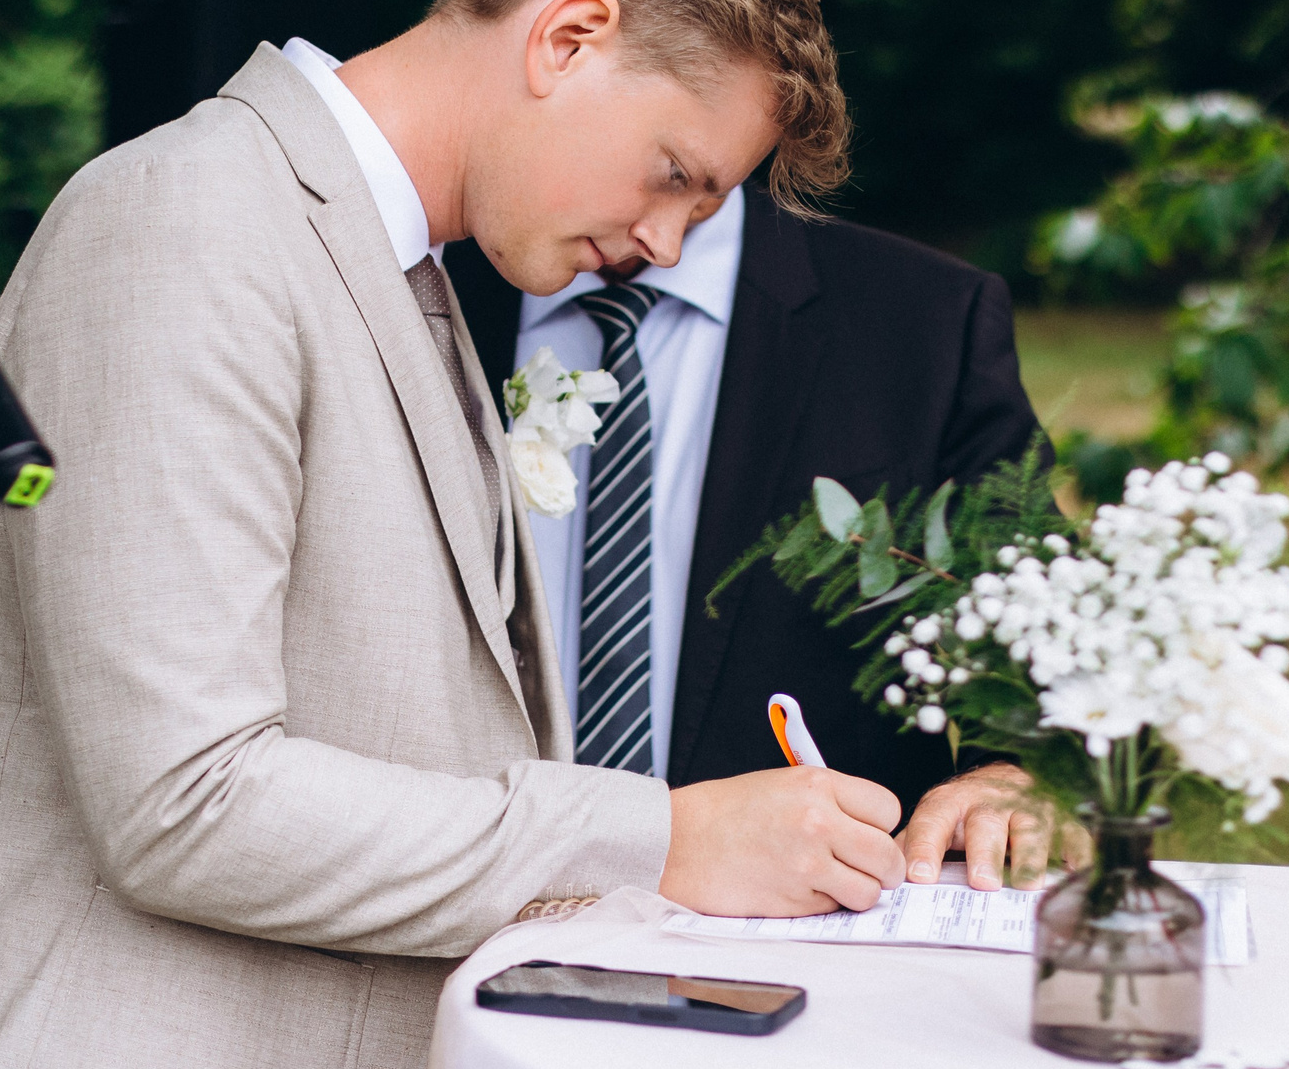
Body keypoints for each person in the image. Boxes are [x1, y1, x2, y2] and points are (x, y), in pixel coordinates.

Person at [0, 0, 908, 1069]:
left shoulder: (399, 262)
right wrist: (657, 836)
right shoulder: (182, 223)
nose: (669, 241)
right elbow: (186, 799)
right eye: (677, 174)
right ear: (570, 35)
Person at [443, 138, 1049, 886]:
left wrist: (1012, 771)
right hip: (467, 902)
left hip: (801, 939)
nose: (664, 232)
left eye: (689, 179)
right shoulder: (428, 291)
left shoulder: (923, 319)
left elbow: (1040, 622)